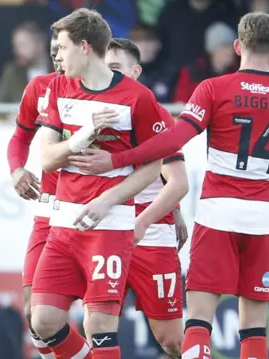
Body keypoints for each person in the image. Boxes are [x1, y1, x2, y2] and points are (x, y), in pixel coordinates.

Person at [67, 12, 269, 359]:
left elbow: (174, 138)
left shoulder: (213, 88)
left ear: (238, 46)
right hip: (264, 220)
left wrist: (118, 159)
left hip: (217, 215)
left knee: (198, 322)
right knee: (253, 327)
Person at [30, 8, 169, 359]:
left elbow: (153, 168)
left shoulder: (137, 98)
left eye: (62, 48)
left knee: (100, 329)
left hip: (109, 225)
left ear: (84, 46)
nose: (57, 57)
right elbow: (46, 158)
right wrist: (84, 135)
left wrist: (108, 200)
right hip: (62, 225)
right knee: (43, 321)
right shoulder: (60, 87)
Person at [90, 37, 188, 357]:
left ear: (136, 71)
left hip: (150, 234)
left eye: (116, 68)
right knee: (98, 328)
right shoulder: (87, 113)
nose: (109, 75)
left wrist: (151, 219)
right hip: (105, 232)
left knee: (173, 340)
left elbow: (177, 182)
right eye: (104, 68)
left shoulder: (155, 114)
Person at [6, 35, 66, 359]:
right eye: (54, 50)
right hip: (50, 213)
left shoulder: (109, 94)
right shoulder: (40, 88)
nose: (58, 57)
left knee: (99, 320)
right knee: (34, 312)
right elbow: (19, 139)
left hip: (97, 215)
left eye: (64, 49)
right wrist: (17, 170)